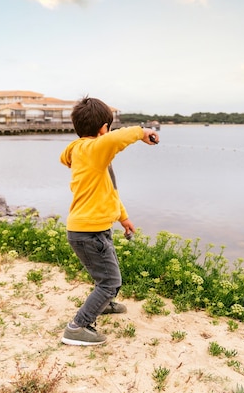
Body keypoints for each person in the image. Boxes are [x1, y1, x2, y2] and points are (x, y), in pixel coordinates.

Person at [59, 97, 159, 346]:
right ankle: (77, 327)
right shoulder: (91, 151)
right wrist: (141, 132)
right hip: (88, 233)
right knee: (110, 281)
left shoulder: (87, 155)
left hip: (95, 229)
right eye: (109, 129)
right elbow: (114, 140)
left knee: (108, 273)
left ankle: (103, 303)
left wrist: (123, 218)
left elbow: (109, 192)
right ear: (103, 128)